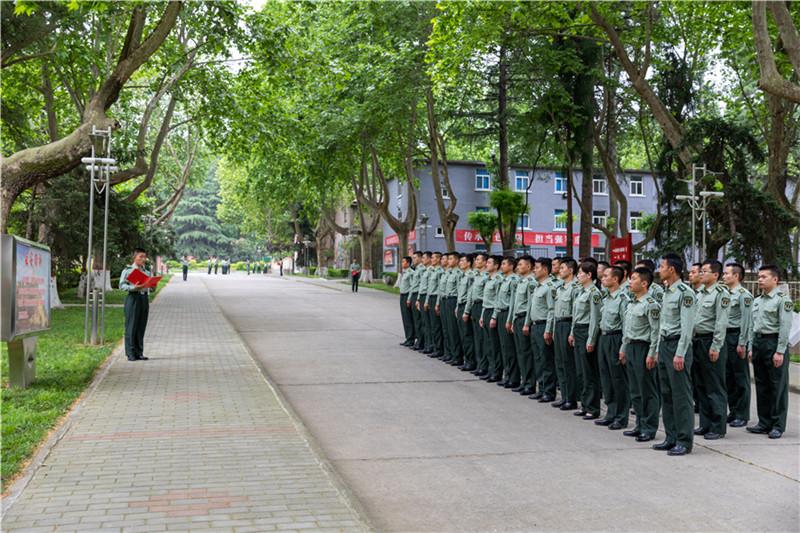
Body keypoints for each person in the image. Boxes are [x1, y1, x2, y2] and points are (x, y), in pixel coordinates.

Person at [655, 253, 697, 456]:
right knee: (667, 395)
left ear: (671, 269)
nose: (659, 269)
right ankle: (670, 437)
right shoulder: (667, 291)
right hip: (665, 345)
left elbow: (687, 328)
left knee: (681, 396)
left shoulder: (684, 293)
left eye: (662, 266)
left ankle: (684, 440)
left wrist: (680, 353)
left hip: (678, 347)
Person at [747, 265, 794, 439]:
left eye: (764, 276)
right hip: (759, 343)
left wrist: (780, 351)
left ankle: (777, 425)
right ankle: (764, 422)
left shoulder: (782, 300)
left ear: (775, 279)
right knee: (762, 384)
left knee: (777, 386)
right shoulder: (758, 300)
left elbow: (785, 326)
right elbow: (753, 326)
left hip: (774, 343)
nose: (759, 279)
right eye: (759, 276)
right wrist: (752, 347)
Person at [620, 267, 661, 441]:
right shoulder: (632, 303)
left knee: (647, 390)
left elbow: (656, 331)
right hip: (631, 347)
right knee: (635, 390)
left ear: (644, 283)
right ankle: (639, 424)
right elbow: (626, 330)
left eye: (634, 278)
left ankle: (649, 427)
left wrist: (652, 353)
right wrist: (623, 348)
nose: (630, 281)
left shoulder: (651, 304)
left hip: (644, 348)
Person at [692, 260, 731, 441]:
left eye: (705, 271)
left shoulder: (721, 294)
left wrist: (716, 346)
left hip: (711, 342)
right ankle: (705, 423)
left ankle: (718, 426)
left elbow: (721, 322)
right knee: (700, 385)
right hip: (698, 341)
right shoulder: (699, 293)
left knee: (714, 386)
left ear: (715, 275)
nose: (701, 274)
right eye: (700, 271)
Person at [597, 266, 629, 430]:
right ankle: (610, 412)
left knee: (618, 379)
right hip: (604, 337)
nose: (602, 277)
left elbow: (626, 325)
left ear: (616, 279)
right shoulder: (606, 297)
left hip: (616, 338)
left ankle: (621, 416)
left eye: (606, 275)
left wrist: (623, 347)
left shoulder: (622, 298)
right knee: (606, 377)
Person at [570, 261, 603, 419]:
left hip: (586, 332)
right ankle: (584, 404)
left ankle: (592, 407)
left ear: (589, 275)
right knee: (580, 371)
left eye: (581, 273)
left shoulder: (594, 293)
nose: (578, 276)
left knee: (588, 371)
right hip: (578, 330)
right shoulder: (580, 291)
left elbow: (595, 319)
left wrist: (591, 339)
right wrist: (572, 333)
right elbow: (576, 316)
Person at [722, 263, 753, 428]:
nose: (724, 276)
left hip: (736, 336)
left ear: (736, 276)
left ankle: (742, 414)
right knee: (728, 377)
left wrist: (742, 343)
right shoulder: (725, 294)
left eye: (727, 274)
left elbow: (747, 322)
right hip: (725, 337)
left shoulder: (743, 295)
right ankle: (733, 410)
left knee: (740, 377)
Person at [523, 257, 557, 402]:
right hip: (535, 325)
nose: (534, 270)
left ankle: (549, 391)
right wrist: (528, 323)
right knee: (537, 359)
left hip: (544, 325)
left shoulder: (549, 287)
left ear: (545, 269)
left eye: (536, 268)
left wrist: (548, 330)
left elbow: (551, 310)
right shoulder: (537, 286)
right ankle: (541, 388)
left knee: (546, 360)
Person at [552, 257, 580, 411]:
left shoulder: (575, 288)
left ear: (570, 270)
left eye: (562, 268)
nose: (560, 270)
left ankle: (571, 398)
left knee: (568, 363)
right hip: (559, 323)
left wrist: (572, 331)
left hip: (568, 323)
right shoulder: (561, 287)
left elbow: (575, 313)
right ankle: (564, 396)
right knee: (560, 362)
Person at [119, 248, 152, 362]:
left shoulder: (146, 271)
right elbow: (122, 286)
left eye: (144, 257)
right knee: (131, 326)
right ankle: (130, 353)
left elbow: (149, 286)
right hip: (133, 298)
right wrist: (134, 287)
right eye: (141, 256)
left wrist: (152, 285)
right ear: (135, 257)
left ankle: (139, 352)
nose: (143, 259)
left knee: (141, 326)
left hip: (144, 298)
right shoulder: (128, 270)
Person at [509, 255, 535, 395]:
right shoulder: (520, 281)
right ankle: (524, 381)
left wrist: (527, 323)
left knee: (526, 353)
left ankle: (530, 384)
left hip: (525, 318)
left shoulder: (531, 282)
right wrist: (512, 320)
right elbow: (515, 304)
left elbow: (530, 304)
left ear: (528, 266)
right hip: (518, 318)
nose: (518, 267)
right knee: (520, 352)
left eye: (520, 265)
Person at [493, 256, 520, 388]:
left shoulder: (513, 280)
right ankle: (507, 375)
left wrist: (509, 320)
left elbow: (512, 303)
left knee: (509, 348)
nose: (502, 266)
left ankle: (513, 378)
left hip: (508, 314)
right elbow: (499, 300)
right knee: (504, 347)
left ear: (511, 266)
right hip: (501, 313)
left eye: (504, 264)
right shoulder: (503, 280)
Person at [479, 256, 503, 382]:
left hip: (494, 312)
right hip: (486, 310)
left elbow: (498, 300)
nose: (486, 264)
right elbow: (485, 300)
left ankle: (496, 372)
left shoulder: (498, 280)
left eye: (489, 263)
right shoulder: (488, 279)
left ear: (496, 266)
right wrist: (483, 315)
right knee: (487, 343)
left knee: (494, 345)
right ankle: (490, 369)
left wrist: (494, 316)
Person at [465, 253, 489, 376]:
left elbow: (486, 297)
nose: (476, 261)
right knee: (476, 338)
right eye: (476, 260)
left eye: (479, 260)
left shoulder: (486, 277)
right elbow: (470, 294)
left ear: (485, 263)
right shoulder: (477, 276)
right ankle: (479, 364)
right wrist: (467, 310)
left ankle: (484, 366)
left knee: (482, 338)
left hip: (481, 306)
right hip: (474, 305)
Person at [455, 254, 476, 370]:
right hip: (461, 305)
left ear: (469, 263)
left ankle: (471, 361)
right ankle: (467, 360)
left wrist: (466, 311)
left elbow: (470, 295)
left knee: (467, 335)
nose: (460, 263)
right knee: (462, 335)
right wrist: (458, 307)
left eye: (463, 261)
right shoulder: (463, 276)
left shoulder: (470, 276)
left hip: (466, 306)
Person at [424, 252, 444, 357]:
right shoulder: (431, 271)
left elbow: (440, 289)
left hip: (436, 298)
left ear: (438, 259)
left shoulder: (440, 272)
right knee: (432, 324)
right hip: (430, 298)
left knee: (436, 326)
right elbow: (429, 288)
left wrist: (437, 303)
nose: (431, 259)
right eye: (431, 258)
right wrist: (427, 301)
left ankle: (439, 348)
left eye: (433, 258)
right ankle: (433, 346)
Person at [406, 252, 424, 350]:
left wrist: (418, 298)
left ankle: (421, 342)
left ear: (420, 258)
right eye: (412, 258)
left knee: (418, 320)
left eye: (415, 258)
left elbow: (421, 284)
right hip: (413, 294)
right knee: (415, 320)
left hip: (418, 294)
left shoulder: (421, 269)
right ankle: (418, 341)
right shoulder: (416, 269)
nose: (413, 260)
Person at [416, 252, 433, 353]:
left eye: (424, 258)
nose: (422, 259)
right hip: (422, 296)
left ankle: (430, 345)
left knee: (428, 323)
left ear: (430, 259)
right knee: (424, 323)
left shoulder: (432, 271)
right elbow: (421, 286)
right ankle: (426, 345)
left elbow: (430, 288)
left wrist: (426, 301)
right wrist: (418, 299)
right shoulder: (425, 270)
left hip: (428, 297)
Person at [398, 256, 416, 347]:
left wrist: (409, 299)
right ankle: (408, 338)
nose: (402, 263)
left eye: (403, 262)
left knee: (408, 318)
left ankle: (411, 338)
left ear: (408, 263)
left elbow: (412, 287)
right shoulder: (404, 273)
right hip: (402, 296)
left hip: (407, 296)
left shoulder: (411, 273)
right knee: (405, 318)